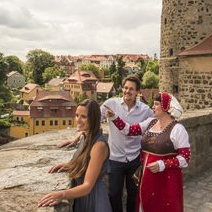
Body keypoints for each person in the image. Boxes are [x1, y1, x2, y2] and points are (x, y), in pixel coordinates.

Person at [104, 92, 191, 212]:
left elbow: (185, 158)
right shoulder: (151, 122)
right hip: (147, 178)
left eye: (156, 104)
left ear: (166, 107)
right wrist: (114, 117)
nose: (152, 107)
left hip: (166, 179)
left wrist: (163, 164)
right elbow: (129, 130)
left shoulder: (178, 129)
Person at [38, 99, 112, 212]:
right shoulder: (85, 136)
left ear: (94, 119)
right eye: (77, 115)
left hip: (93, 199)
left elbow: (87, 186)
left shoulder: (99, 146)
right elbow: (85, 162)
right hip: (82, 197)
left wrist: (61, 194)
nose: (78, 120)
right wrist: (71, 165)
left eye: (83, 116)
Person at [101, 75, 153, 212]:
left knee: (134, 195)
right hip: (115, 159)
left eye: (131, 89)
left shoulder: (145, 110)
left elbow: (156, 121)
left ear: (137, 92)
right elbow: (94, 118)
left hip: (134, 159)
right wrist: (78, 136)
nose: (127, 91)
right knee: (114, 194)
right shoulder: (111, 104)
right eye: (125, 88)